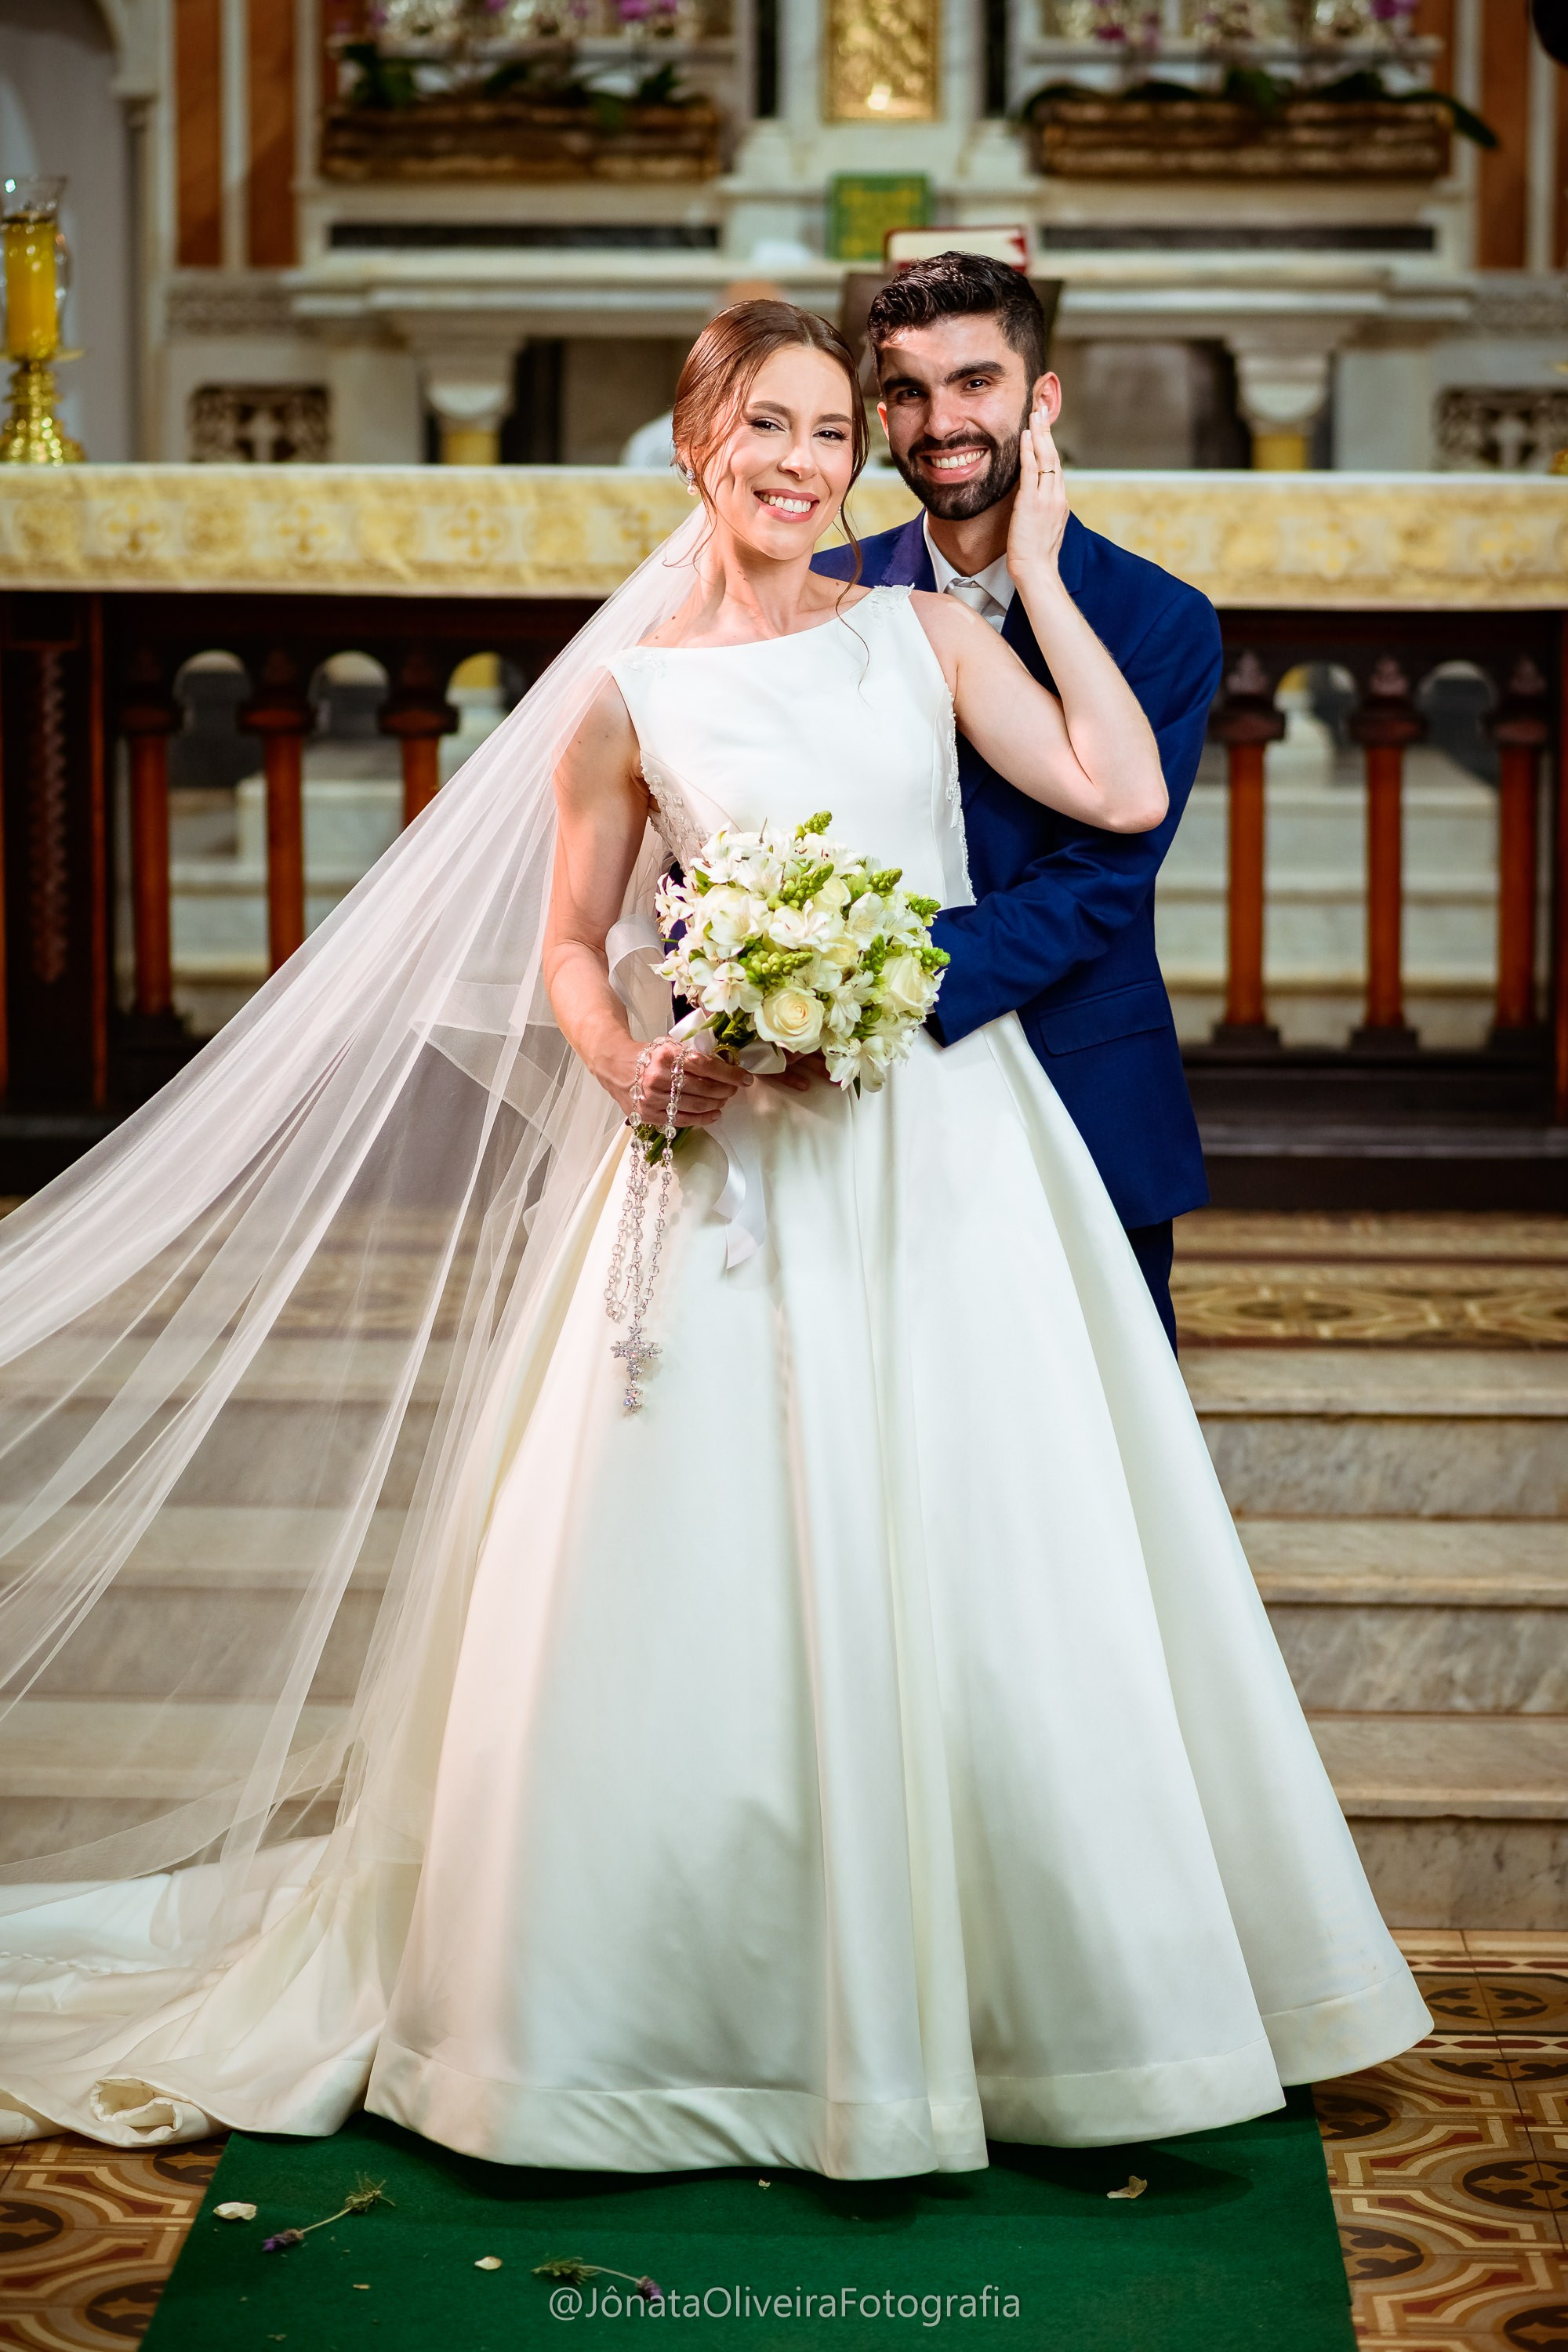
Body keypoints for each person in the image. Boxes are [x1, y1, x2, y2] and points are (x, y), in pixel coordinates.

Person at [0, 303, 1426, 2175]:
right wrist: (629, 1065)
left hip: (949, 1146)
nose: (804, 462)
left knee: (1004, 1548)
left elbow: (1124, 792)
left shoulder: (922, 634)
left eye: (834, 432)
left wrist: (1043, 564)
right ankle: (665, 2014)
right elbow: (568, 950)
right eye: (770, 425)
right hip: (726, 1165)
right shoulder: (626, 697)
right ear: (697, 442)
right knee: (695, 1571)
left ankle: (1048, 2004)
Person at [815, 253, 1218, 1351]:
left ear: (1043, 399)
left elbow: (1101, 880)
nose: (941, 421)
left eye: (976, 382)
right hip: (843, 1092)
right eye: (908, 392)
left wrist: (876, 974)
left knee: (1104, 1432)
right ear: (880, 415)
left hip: (1074, 1075)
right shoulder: (823, 592)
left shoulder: (1162, 620)